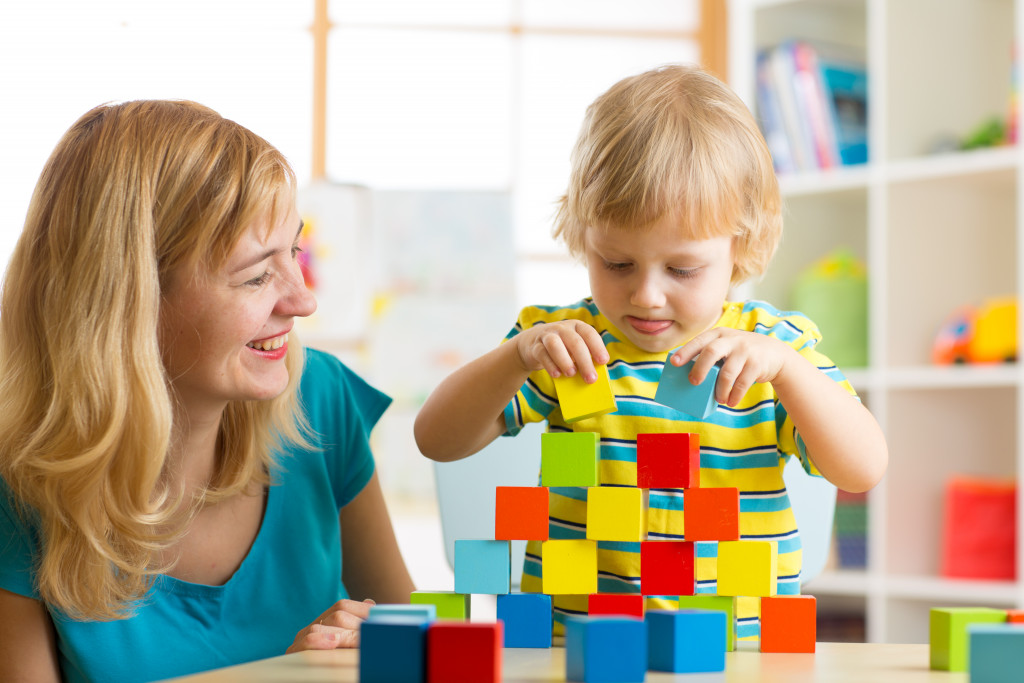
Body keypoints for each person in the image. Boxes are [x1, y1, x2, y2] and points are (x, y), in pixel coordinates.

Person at [414, 64, 888, 638]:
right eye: (616, 263)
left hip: (738, 649)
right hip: (575, 646)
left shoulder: (774, 351)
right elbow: (435, 439)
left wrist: (788, 373)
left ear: (742, 245)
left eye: (682, 268)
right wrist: (516, 357)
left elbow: (862, 468)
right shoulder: (567, 345)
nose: (646, 294)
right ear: (583, 235)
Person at [0, 100, 415, 682]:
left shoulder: (319, 397)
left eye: (292, 252)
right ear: (129, 302)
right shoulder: (18, 481)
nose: (301, 300)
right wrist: (283, 677)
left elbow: (421, 646)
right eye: (255, 275)